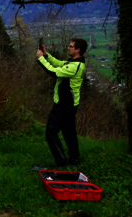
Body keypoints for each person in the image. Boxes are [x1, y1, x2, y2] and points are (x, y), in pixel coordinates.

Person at [34, 38, 87, 170]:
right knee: (69, 132)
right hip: (70, 104)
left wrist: (40, 59)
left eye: (71, 46)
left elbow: (54, 72)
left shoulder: (74, 67)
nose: (68, 48)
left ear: (77, 50)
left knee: (51, 132)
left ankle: (62, 163)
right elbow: (58, 63)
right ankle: (74, 159)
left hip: (64, 105)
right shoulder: (74, 63)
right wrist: (46, 55)